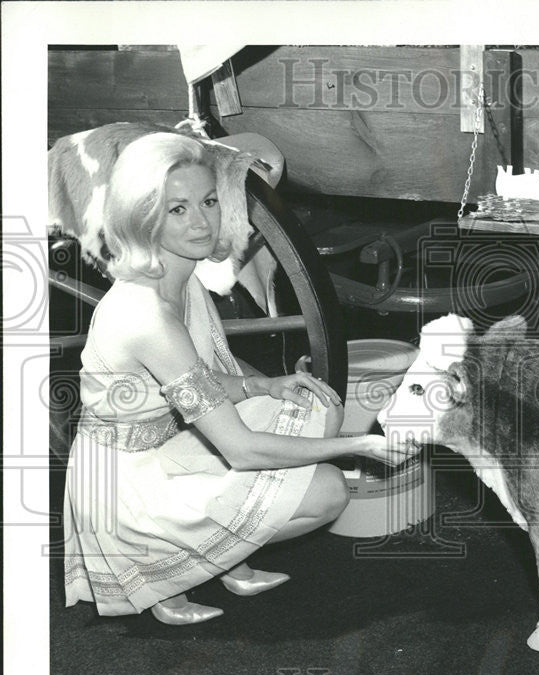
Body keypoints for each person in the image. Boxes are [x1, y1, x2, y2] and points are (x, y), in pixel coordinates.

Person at [62, 132, 416, 626]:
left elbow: (197, 380)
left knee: (319, 406)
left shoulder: (177, 275)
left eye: (207, 201)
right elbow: (242, 450)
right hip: (128, 484)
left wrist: (266, 386)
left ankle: (224, 555)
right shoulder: (146, 315)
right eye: (177, 209)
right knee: (329, 490)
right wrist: (359, 446)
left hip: (172, 440)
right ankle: (166, 573)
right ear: (142, 215)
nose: (202, 222)